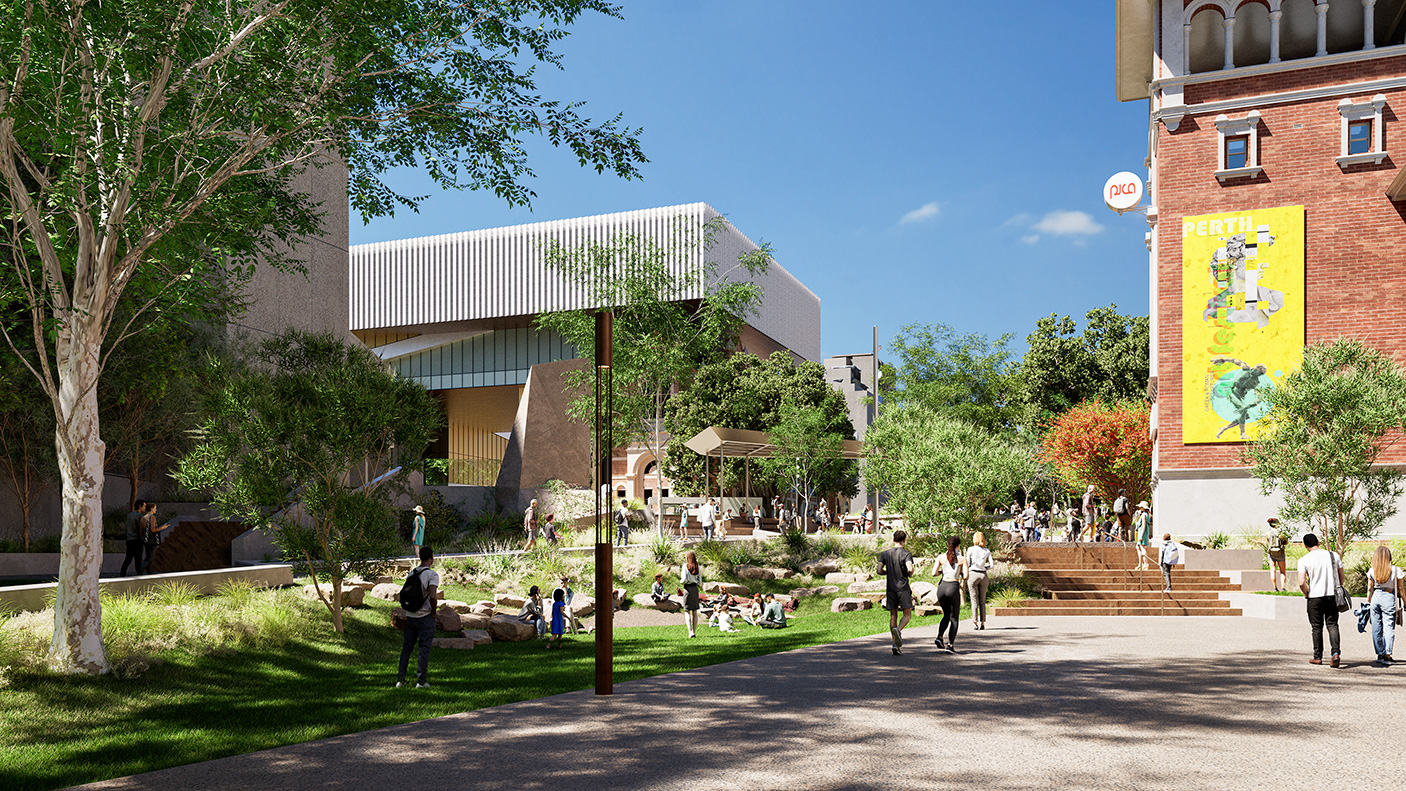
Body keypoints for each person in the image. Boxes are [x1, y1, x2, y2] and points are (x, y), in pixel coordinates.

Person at [1297, 533, 1346, 667]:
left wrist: (1306, 594)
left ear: (1305, 546)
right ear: (1318, 542)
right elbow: (1342, 576)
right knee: (1332, 625)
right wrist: (1339, 588)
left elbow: (1301, 582)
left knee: (1316, 627)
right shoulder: (1333, 555)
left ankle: (1317, 657)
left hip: (1314, 597)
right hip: (1332, 596)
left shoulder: (1303, 560)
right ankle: (1335, 653)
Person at [396, 546, 438, 688]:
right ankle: (421, 681)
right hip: (424, 616)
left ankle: (400, 680)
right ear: (431, 558)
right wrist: (434, 611)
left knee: (407, 647)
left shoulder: (412, 573)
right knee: (424, 648)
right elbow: (432, 595)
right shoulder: (432, 575)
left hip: (410, 615)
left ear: (420, 557)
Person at [877, 530, 915, 654]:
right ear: (904, 541)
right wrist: (910, 572)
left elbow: (878, 570)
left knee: (893, 615)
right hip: (903, 587)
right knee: (907, 614)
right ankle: (898, 630)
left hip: (891, 588)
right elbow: (910, 568)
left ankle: (894, 644)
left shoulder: (885, 554)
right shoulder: (906, 554)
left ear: (893, 540)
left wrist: (887, 572)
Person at [1366, 545, 1403, 667]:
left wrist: (1368, 602)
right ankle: (1388, 654)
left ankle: (1380, 654)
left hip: (1376, 597)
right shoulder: (1396, 570)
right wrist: (1405, 602)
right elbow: (1401, 589)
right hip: (1388, 596)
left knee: (1376, 627)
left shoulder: (1372, 570)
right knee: (1388, 626)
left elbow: (1370, 588)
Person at [932, 536, 967, 652]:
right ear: (958, 546)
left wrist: (942, 571)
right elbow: (966, 576)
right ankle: (950, 645)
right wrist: (960, 572)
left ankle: (939, 637)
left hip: (942, 588)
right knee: (954, 618)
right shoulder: (962, 559)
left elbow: (934, 573)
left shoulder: (941, 557)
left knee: (946, 614)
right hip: (953, 587)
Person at [966, 531, 994, 631]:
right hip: (983, 574)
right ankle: (982, 623)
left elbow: (967, 563)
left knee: (974, 600)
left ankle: (975, 623)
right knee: (982, 600)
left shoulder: (970, 549)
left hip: (973, 573)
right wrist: (985, 568)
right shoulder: (986, 550)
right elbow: (992, 565)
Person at [138, 502, 172, 574]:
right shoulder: (152, 517)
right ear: (151, 508)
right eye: (155, 508)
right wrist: (162, 528)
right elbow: (153, 529)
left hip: (146, 540)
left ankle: (149, 573)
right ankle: (140, 571)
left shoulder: (143, 518)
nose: (156, 510)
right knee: (149, 558)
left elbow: (141, 530)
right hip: (152, 540)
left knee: (149, 557)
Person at [120, 500, 146, 576]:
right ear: (140, 506)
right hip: (137, 540)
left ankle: (122, 574)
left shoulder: (129, 515)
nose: (145, 508)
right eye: (144, 506)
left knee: (128, 558)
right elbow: (140, 528)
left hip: (129, 540)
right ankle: (139, 575)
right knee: (138, 559)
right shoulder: (139, 516)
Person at [681, 550, 702, 637]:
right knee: (694, 611)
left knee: (687, 610)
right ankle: (694, 631)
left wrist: (681, 581)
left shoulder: (685, 566)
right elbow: (700, 581)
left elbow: (684, 579)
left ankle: (690, 632)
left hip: (688, 588)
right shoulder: (697, 567)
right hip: (695, 588)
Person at [1265, 519, 1288, 592]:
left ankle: (1275, 588)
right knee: (1282, 571)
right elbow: (1286, 542)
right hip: (1280, 552)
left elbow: (1268, 541)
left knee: (1272, 570)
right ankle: (1283, 588)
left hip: (1271, 553)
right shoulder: (1281, 534)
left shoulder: (1268, 533)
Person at [1133, 502, 1153, 570]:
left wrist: (1141, 535)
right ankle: (1140, 563)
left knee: (1142, 547)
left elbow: (1144, 525)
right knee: (1138, 547)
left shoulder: (1144, 515)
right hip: (1142, 533)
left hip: (1142, 533)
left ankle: (1146, 563)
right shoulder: (1145, 514)